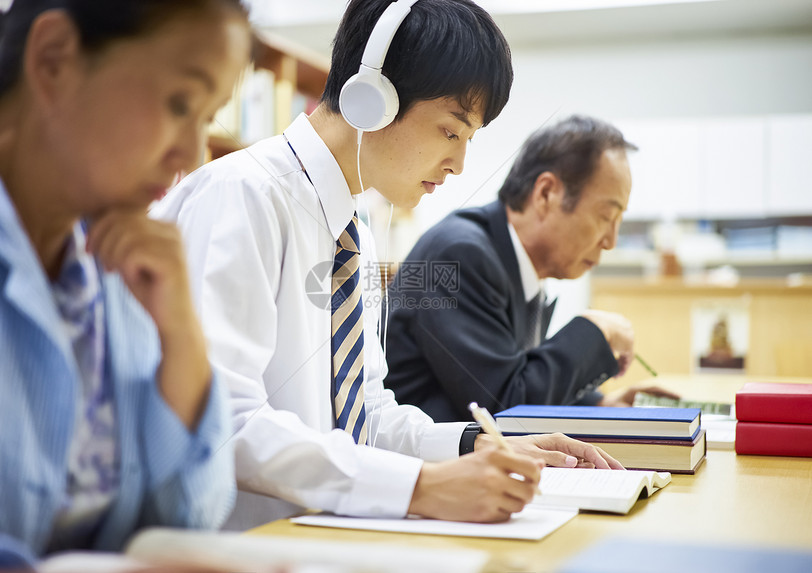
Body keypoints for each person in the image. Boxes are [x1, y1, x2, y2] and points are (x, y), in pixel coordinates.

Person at [152, 0, 622, 533]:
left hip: (324, 539)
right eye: (451, 131)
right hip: (237, 547)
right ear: (369, 99)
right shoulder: (244, 197)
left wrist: (478, 445)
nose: (460, 163)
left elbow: (365, 414)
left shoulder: (353, 227)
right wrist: (421, 488)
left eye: (470, 141)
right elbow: (222, 421)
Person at [0, 0, 251, 570]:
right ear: (55, 59)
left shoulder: (119, 269)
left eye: (206, 119)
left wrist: (182, 336)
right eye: (179, 103)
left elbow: (189, 519)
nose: (191, 155)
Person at [384, 115, 680, 422]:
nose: (611, 241)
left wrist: (601, 404)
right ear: (546, 194)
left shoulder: (513, 260)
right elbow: (507, 409)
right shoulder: (459, 255)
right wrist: (594, 331)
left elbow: (511, 372)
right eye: (606, 217)